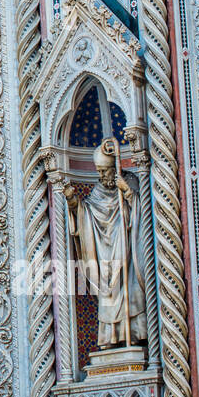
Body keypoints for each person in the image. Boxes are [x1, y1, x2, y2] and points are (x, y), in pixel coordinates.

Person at [65, 139, 147, 348]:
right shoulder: (98, 192)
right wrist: (74, 203)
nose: (101, 176)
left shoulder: (131, 182)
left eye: (105, 171)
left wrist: (128, 192)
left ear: (115, 168)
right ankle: (110, 337)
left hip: (127, 253)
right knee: (107, 293)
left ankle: (136, 335)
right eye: (99, 172)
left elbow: (143, 214)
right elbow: (88, 213)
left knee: (131, 290)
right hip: (105, 254)